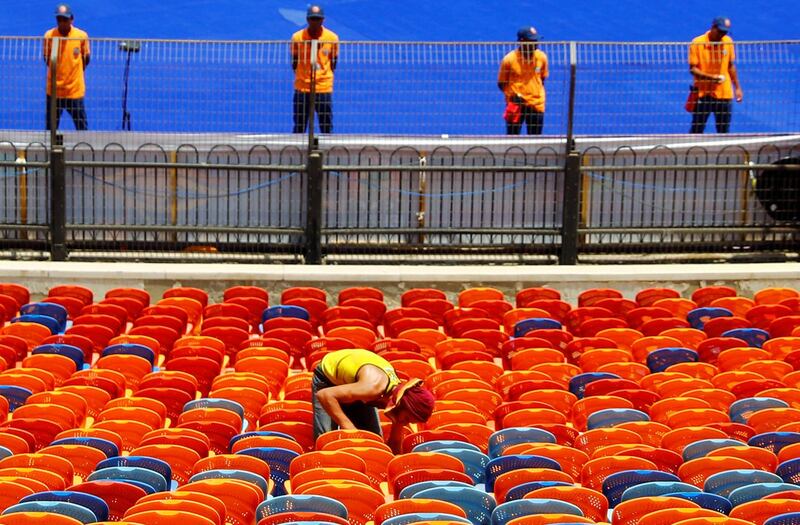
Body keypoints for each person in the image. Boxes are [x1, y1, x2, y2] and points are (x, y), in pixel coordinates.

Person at [313, 348, 435, 453]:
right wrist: (348, 427)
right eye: (407, 419)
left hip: (355, 386)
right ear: (402, 405)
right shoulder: (373, 388)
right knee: (325, 441)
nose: (406, 423)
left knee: (374, 442)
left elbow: (395, 444)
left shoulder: (399, 402)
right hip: (327, 382)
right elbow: (325, 395)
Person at [689, 16, 743, 134]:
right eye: (720, 31)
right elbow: (693, 70)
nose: (721, 35)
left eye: (724, 32)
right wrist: (711, 78)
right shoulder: (697, 43)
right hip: (703, 93)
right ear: (713, 27)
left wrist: (737, 87)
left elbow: (730, 66)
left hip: (724, 94)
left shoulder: (728, 42)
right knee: (697, 129)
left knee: (723, 130)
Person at [291, 5, 339, 134]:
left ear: (323, 20)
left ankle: (328, 151)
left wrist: (323, 76)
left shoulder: (332, 38)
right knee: (299, 124)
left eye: (317, 19)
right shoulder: (297, 38)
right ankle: (297, 152)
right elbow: (294, 61)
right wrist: (303, 76)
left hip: (323, 87)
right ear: (307, 20)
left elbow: (333, 61)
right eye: (312, 19)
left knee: (326, 124)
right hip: (302, 86)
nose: (315, 22)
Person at [43, 3, 90, 131]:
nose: (62, 22)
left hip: (74, 91)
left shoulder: (81, 36)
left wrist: (74, 73)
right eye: (59, 19)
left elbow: (86, 58)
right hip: (54, 91)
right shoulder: (49, 36)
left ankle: (83, 150)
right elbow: (47, 59)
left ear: (71, 19)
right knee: (51, 129)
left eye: (65, 19)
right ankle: (51, 150)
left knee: (82, 127)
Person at [498, 26, 548, 135]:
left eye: (536, 40)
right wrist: (512, 95)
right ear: (522, 41)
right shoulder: (509, 60)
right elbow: (501, 83)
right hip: (515, 105)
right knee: (512, 140)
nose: (536, 43)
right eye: (532, 41)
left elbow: (542, 78)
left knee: (536, 140)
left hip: (536, 104)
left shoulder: (542, 57)